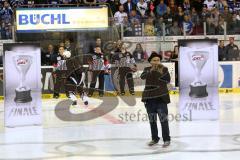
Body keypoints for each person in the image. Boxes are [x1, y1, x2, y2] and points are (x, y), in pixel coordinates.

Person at [140, 52, 171, 147]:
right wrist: (152, 70)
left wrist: (159, 71)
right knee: (152, 121)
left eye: (158, 60)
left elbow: (168, 80)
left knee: (163, 120)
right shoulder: (147, 69)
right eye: (154, 60)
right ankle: (155, 138)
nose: (156, 62)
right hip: (149, 99)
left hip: (161, 99)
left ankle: (166, 139)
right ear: (150, 61)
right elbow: (142, 77)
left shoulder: (164, 69)